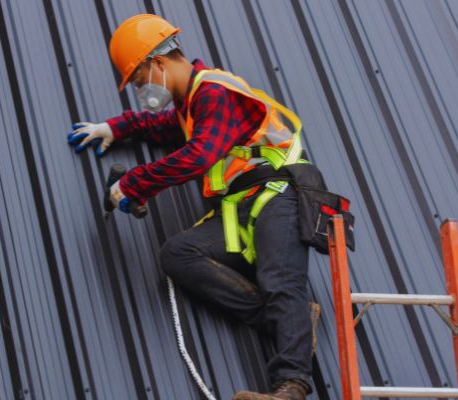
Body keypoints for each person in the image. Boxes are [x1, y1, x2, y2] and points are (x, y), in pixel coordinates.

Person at [67, 14, 319, 400]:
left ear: (159, 63)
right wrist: (114, 128)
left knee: (279, 280)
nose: (141, 90)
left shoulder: (214, 92)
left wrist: (135, 183)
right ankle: (291, 321)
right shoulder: (192, 107)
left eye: (138, 81)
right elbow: (162, 126)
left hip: (276, 193)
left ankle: (291, 386)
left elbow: (199, 156)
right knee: (179, 254)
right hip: (240, 207)